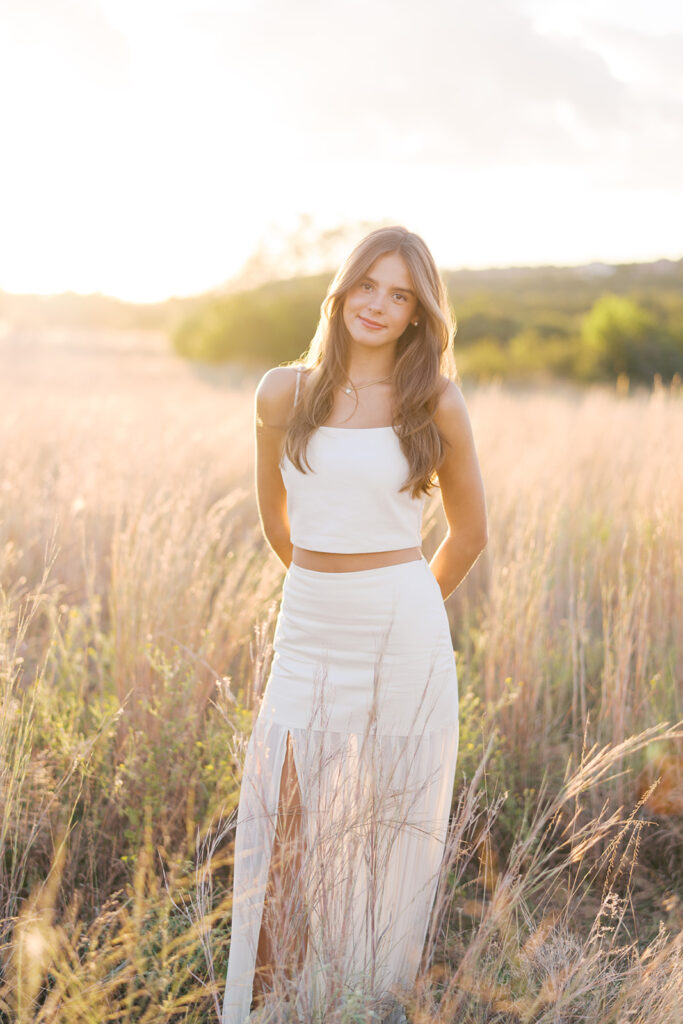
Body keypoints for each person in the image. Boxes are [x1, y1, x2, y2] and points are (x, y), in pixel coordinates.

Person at [222, 225, 488, 1024]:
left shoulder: (433, 400)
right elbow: (277, 520)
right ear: (341, 290)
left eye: (399, 294)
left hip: (402, 632)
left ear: (417, 315)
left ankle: (355, 1005)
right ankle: (271, 1009)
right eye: (367, 284)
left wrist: (402, 607)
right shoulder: (281, 392)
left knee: (378, 830)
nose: (377, 304)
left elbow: (468, 535)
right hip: (307, 627)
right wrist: (324, 590)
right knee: (282, 826)